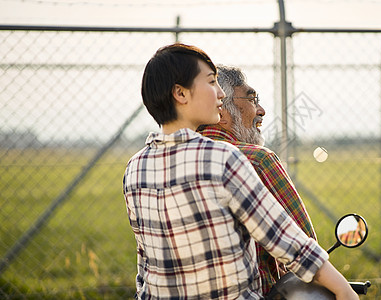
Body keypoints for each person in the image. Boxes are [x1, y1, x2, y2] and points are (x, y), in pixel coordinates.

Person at [123, 42, 358, 300]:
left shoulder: (135, 167)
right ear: (181, 93)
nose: (220, 95)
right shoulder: (224, 159)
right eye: (211, 82)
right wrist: (344, 291)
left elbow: (146, 267)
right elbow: (289, 242)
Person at [197, 65, 317, 294]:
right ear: (221, 109)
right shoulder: (258, 160)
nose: (261, 110)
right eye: (252, 99)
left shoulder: (168, 161)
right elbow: (305, 246)